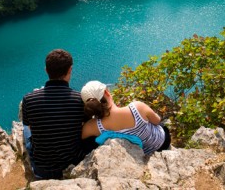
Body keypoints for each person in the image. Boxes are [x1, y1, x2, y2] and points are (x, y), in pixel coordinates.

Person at [20, 49, 96, 180]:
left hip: (42, 168)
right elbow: (86, 128)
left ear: (46, 70)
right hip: (71, 163)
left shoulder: (29, 99)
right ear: (70, 70)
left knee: (25, 131)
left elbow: (31, 127)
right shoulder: (79, 100)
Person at [80, 80, 171, 155]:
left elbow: (82, 137)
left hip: (144, 152)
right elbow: (156, 120)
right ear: (107, 92)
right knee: (162, 124)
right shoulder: (137, 108)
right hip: (162, 143)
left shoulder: (92, 127)